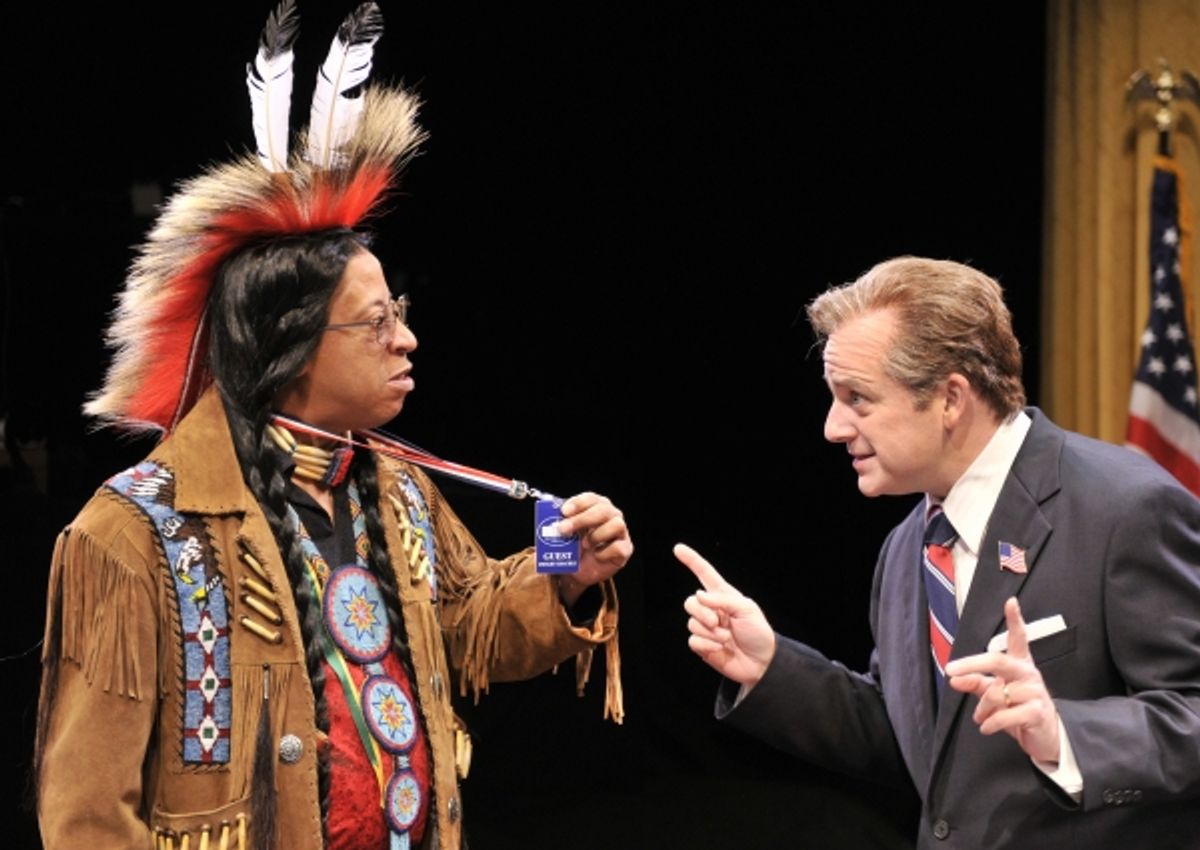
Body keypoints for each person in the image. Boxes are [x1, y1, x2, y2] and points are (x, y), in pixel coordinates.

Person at [33, 4, 630, 849]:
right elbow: (88, 815)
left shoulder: (398, 492)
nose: (407, 339)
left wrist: (569, 567)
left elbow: (469, 630)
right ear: (290, 350)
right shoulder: (135, 535)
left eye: (402, 311)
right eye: (376, 322)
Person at [676, 256, 1200, 849]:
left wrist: (1064, 733)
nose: (832, 427)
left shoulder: (1125, 507)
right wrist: (772, 665)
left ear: (951, 398)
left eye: (858, 399)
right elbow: (919, 740)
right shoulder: (909, 545)